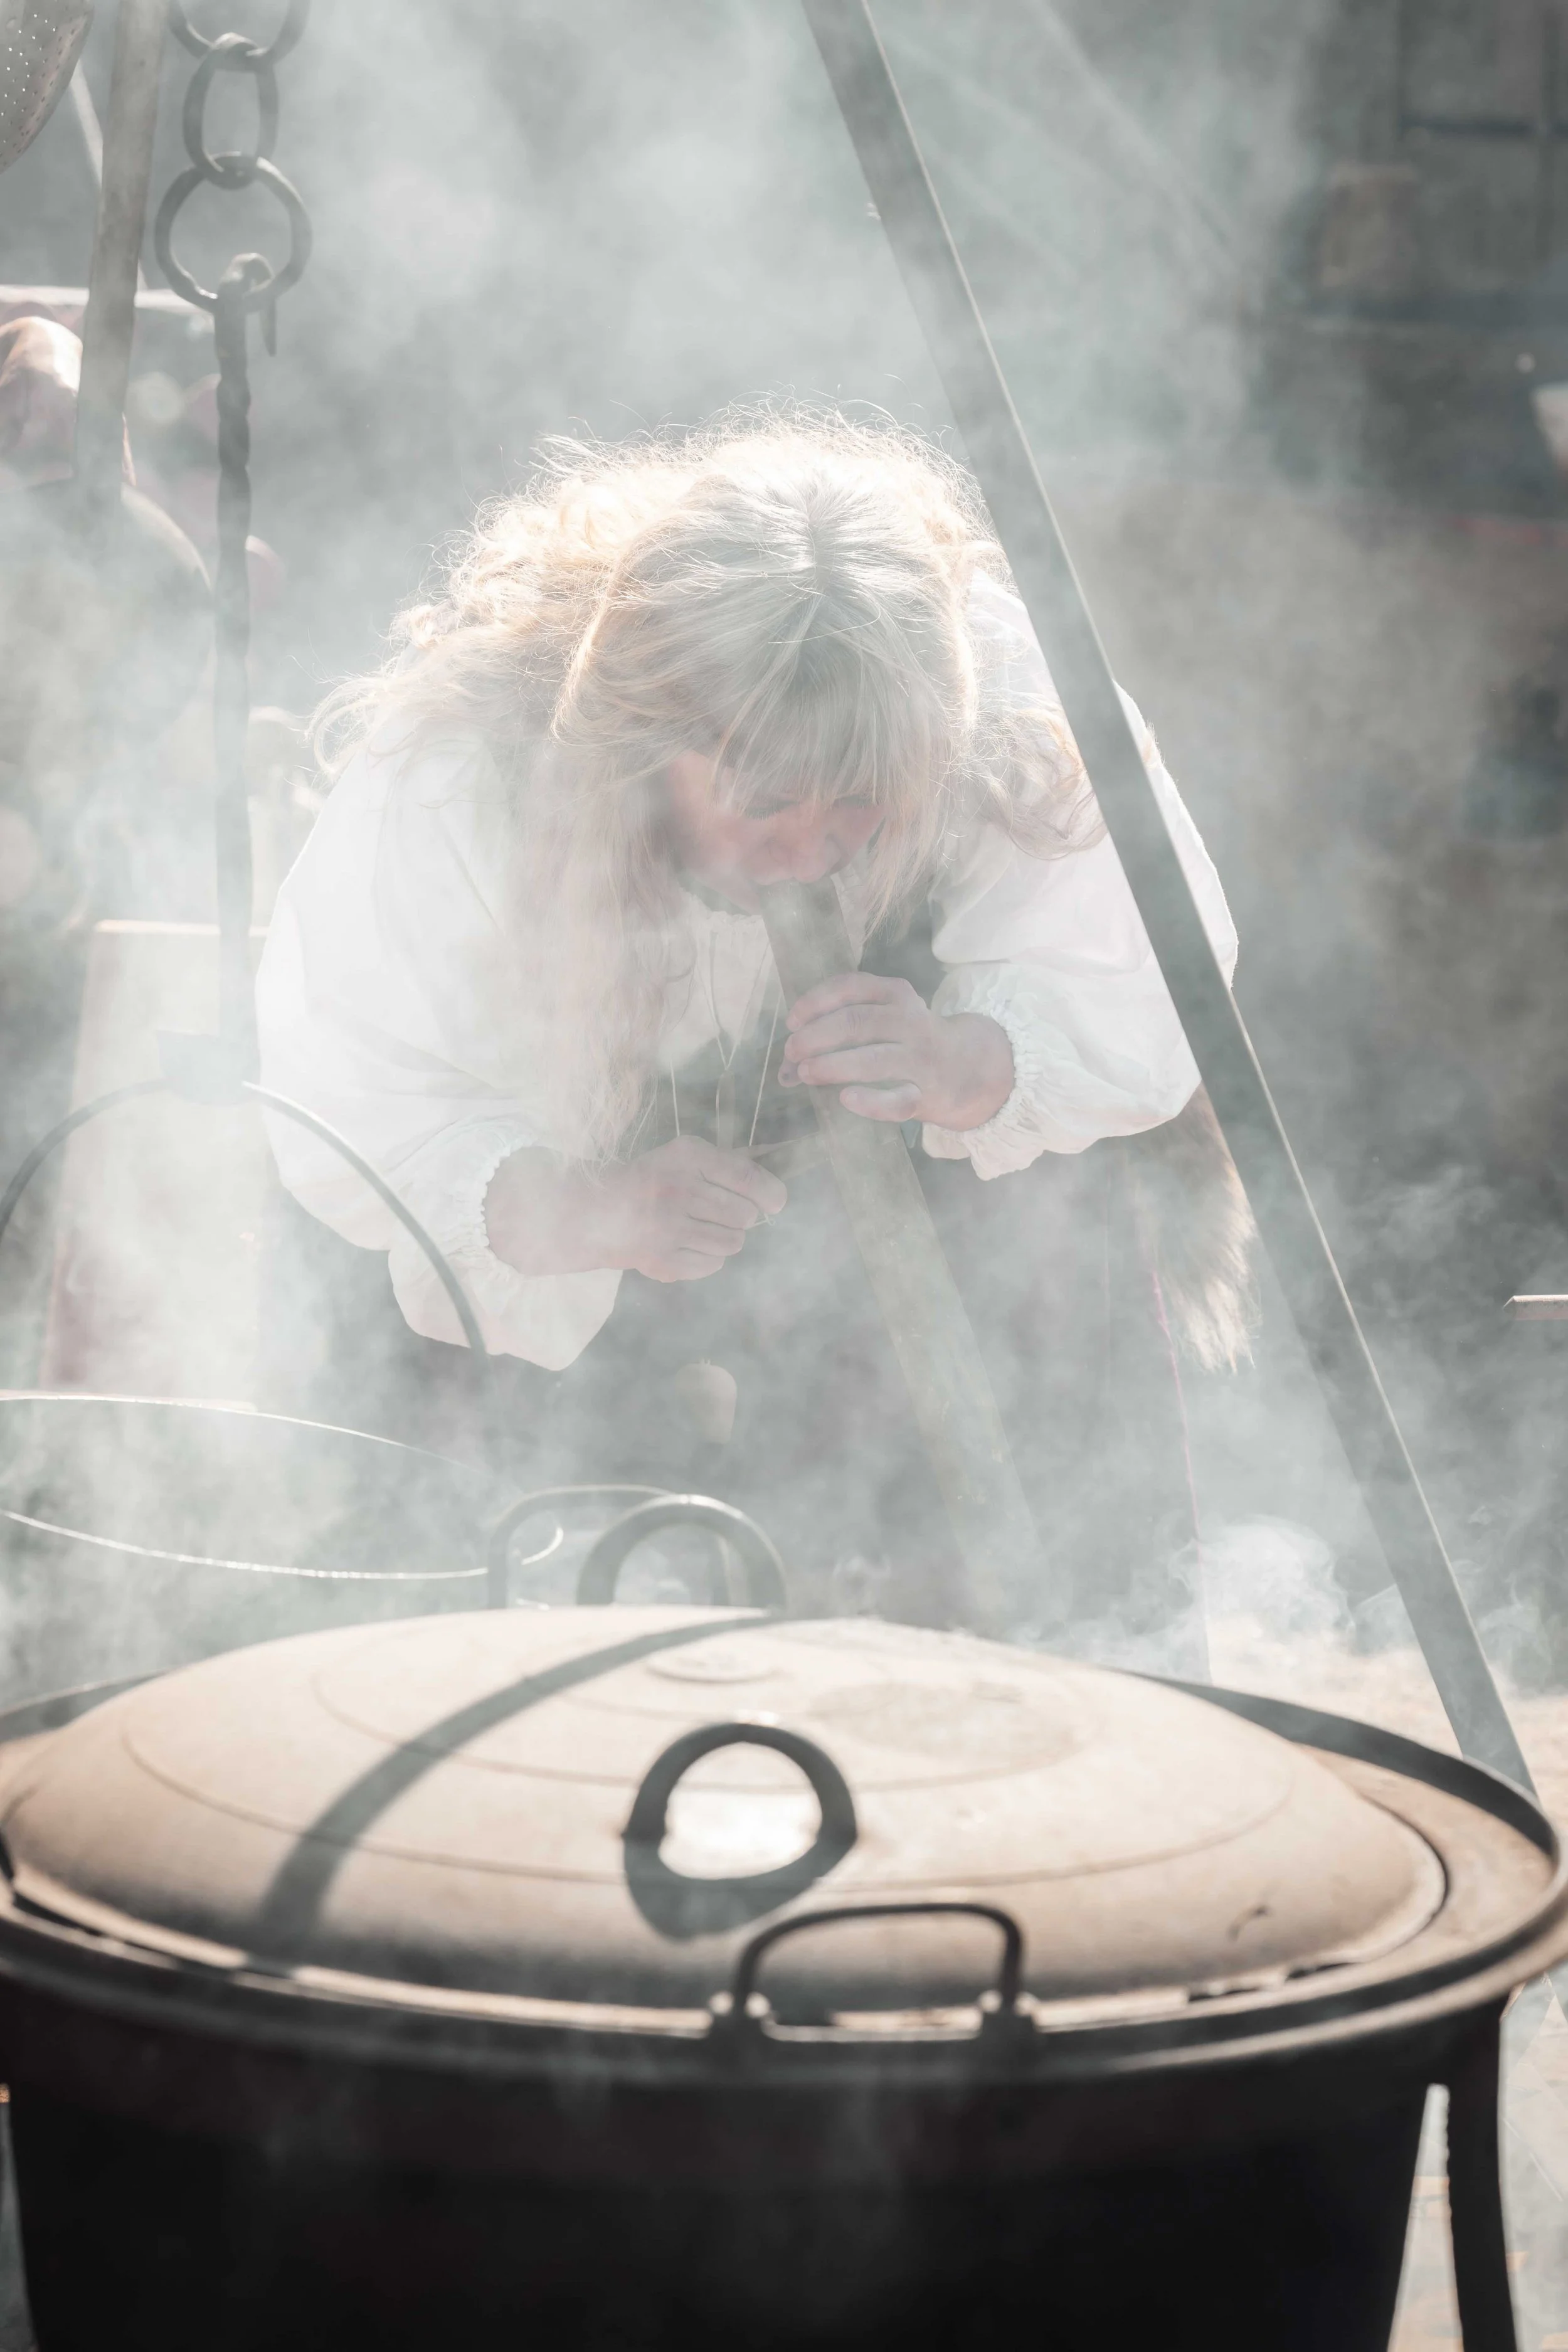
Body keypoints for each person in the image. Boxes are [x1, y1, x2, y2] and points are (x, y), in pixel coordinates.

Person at [256, 410, 1249, 1634]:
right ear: (645, 743)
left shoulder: (994, 697)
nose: (810, 852)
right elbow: (351, 1092)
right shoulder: (466, 769)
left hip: (954, 1280)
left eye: (862, 806)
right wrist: (581, 1207)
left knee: (988, 1679)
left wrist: (969, 1063)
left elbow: (1147, 974)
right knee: (598, 1670)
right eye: (766, 802)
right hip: (586, 1308)